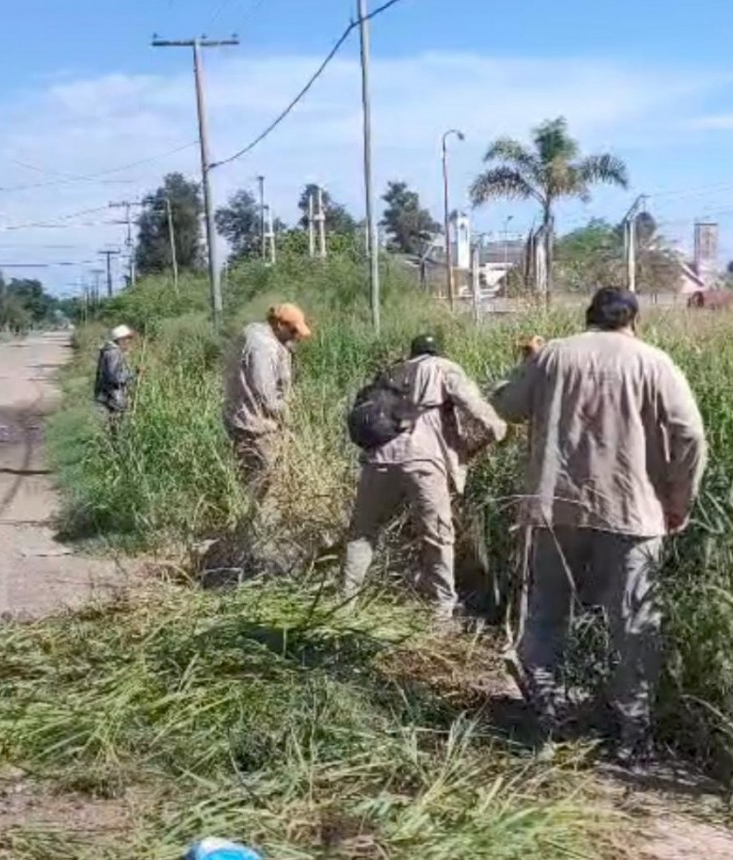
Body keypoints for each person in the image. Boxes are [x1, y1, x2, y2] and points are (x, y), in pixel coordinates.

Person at [491, 287, 707, 759]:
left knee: (546, 613)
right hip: (633, 511)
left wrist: (527, 363)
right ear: (634, 320)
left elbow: (507, 407)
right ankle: (634, 737)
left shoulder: (553, 356)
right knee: (633, 624)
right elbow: (690, 433)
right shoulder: (654, 362)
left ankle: (545, 718)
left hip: (555, 507)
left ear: (587, 316)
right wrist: (678, 499)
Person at [341, 334, 507, 620]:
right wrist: (498, 428)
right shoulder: (442, 367)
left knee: (363, 534)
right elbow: (473, 405)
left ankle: (344, 604)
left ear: (412, 352)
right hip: (422, 461)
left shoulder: (391, 372)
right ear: (436, 351)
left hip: (377, 460)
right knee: (437, 536)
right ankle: (441, 611)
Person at [223, 303, 312, 498]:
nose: (295, 336)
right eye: (293, 330)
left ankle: (256, 522)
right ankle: (256, 525)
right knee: (264, 483)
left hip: (255, 422)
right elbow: (265, 394)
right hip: (253, 427)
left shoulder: (267, 337)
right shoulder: (262, 347)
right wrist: (289, 415)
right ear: (279, 325)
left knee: (264, 480)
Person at [94, 324, 136, 436]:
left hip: (106, 394)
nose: (128, 342)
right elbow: (114, 377)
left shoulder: (108, 351)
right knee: (117, 427)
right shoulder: (114, 353)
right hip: (112, 396)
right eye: (127, 339)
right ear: (120, 340)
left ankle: (114, 446)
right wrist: (133, 374)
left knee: (113, 426)